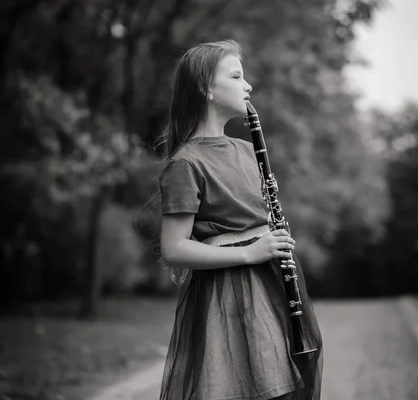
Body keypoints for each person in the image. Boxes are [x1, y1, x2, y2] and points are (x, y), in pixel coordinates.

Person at [156, 39, 323, 400]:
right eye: (236, 76)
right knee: (246, 388)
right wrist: (250, 252)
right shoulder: (186, 163)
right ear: (206, 88)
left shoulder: (248, 150)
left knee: (283, 385)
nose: (247, 86)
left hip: (271, 284)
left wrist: (274, 236)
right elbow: (173, 248)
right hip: (230, 292)